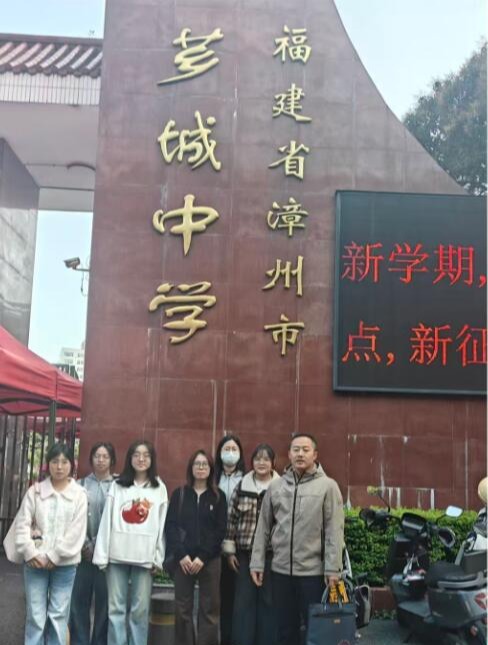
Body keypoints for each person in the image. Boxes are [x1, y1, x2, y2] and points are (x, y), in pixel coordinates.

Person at [250, 433, 344, 645]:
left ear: (315, 455)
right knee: (285, 630)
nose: (300, 454)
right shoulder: (276, 486)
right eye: (296, 450)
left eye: (305, 450)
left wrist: (333, 569)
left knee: (316, 630)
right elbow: (263, 527)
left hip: (313, 574)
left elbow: (334, 531)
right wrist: (257, 562)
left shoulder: (328, 486)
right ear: (289, 454)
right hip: (281, 571)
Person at [93, 440, 168, 645]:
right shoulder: (118, 485)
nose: (141, 459)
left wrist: (158, 557)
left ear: (152, 459)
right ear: (130, 459)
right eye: (136, 454)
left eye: (146, 455)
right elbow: (107, 520)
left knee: (139, 612)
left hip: (144, 559)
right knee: (115, 610)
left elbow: (161, 526)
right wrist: (102, 555)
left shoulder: (159, 488)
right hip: (116, 556)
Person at [15, 442, 87, 645]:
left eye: (64, 462)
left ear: (71, 465)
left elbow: (77, 532)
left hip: (65, 565)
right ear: (48, 464)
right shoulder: (35, 492)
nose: (59, 466)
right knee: (35, 617)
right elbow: (22, 524)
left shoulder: (79, 495)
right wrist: (30, 553)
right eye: (55, 461)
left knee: (58, 616)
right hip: (35, 563)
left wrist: (54, 556)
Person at [165, 450, 227, 645]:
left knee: (210, 609)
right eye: (197, 464)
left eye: (205, 464)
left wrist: (203, 556)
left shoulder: (219, 496)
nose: (201, 468)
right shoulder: (180, 494)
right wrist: (181, 555)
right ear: (191, 468)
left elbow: (220, 530)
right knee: (182, 609)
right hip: (183, 560)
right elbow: (170, 526)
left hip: (210, 560)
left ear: (211, 469)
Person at [223, 443, 280, 645]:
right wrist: (230, 552)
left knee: (269, 602)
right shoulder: (242, 486)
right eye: (257, 459)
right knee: (243, 604)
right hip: (244, 554)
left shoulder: (281, 488)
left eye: (266, 459)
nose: (261, 463)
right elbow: (231, 519)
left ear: (273, 463)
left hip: (271, 555)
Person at [69, 441, 116, 645]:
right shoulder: (79, 485)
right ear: (91, 459)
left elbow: (116, 520)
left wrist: (98, 544)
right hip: (82, 554)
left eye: (105, 456)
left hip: (107, 555)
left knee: (105, 605)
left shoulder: (117, 486)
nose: (101, 460)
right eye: (97, 456)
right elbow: (72, 518)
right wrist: (85, 544)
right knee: (78, 603)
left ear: (111, 460)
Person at [215, 434, 245, 645]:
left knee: (236, 599)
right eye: (227, 449)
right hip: (213, 548)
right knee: (218, 600)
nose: (230, 453)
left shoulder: (246, 480)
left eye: (234, 449)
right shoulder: (212, 477)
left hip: (237, 549)